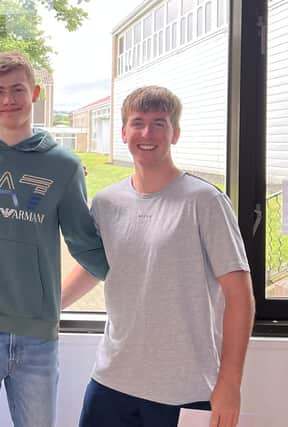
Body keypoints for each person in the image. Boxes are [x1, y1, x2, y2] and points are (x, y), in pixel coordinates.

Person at [62, 85, 255, 427]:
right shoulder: (106, 202)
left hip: (185, 389)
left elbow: (240, 296)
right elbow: (97, 267)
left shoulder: (205, 202)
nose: (146, 133)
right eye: (137, 123)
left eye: (159, 124)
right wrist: (47, 305)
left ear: (175, 134)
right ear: (123, 132)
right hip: (111, 381)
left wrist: (230, 382)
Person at [0, 51, 109, 427]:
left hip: (37, 338)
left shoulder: (63, 166)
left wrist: (131, 278)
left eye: (18, 89)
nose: (8, 99)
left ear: (36, 93)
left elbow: (85, 243)